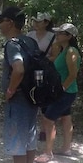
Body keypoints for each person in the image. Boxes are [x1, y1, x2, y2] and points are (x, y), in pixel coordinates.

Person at [0, 6, 39, 163]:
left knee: (17, 142)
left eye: (1, 20)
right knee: (29, 138)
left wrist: (11, 90)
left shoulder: (12, 44)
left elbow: (19, 69)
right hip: (32, 96)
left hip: (20, 98)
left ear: (10, 23)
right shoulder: (30, 41)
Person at [36, 23, 81, 162]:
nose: (57, 35)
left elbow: (73, 74)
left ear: (69, 36)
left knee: (48, 119)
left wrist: (61, 89)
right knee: (66, 118)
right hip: (67, 91)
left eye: (61, 33)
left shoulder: (71, 52)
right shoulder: (64, 50)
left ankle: (48, 152)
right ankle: (66, 148)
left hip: (65, 92)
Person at [27, 12, 57, 143]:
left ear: (46, 22)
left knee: (45, 100)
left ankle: (45, 130)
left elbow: (55, 55)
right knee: (30, 96)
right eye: (35, 21)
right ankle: (30, 127)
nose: (36, 24)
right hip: (31, 71)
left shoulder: (53, 37)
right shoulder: (29, 35)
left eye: (39, 21)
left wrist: (43, 60)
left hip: (46, 71)